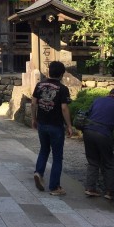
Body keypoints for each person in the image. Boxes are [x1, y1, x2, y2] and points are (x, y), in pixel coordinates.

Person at [31, 61, 73, 196]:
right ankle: (54, 187)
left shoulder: (39, 85)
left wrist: (34, 119)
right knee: (57, 157)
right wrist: (69, 125)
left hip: (42, 124)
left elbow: (33, 103)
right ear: (62, 74)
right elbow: (64, 108)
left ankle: (39, 172)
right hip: (56, 125)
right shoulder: (62, 88)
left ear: (49, 72)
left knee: (44, 150)